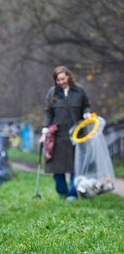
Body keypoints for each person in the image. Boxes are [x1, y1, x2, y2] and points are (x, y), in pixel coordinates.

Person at [38, 66, 91, 201]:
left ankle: (73, 194)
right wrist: (44, 132)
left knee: (76, 166)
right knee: (57, 168)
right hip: (58, 136)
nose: (61, 82)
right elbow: (48, 113)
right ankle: (62, 192)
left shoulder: (79, 91)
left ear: (68, 76)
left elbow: (86, 105)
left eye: (62, 79)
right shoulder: (52, 93)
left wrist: (86, 113)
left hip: (76, 135)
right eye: (58, 80)